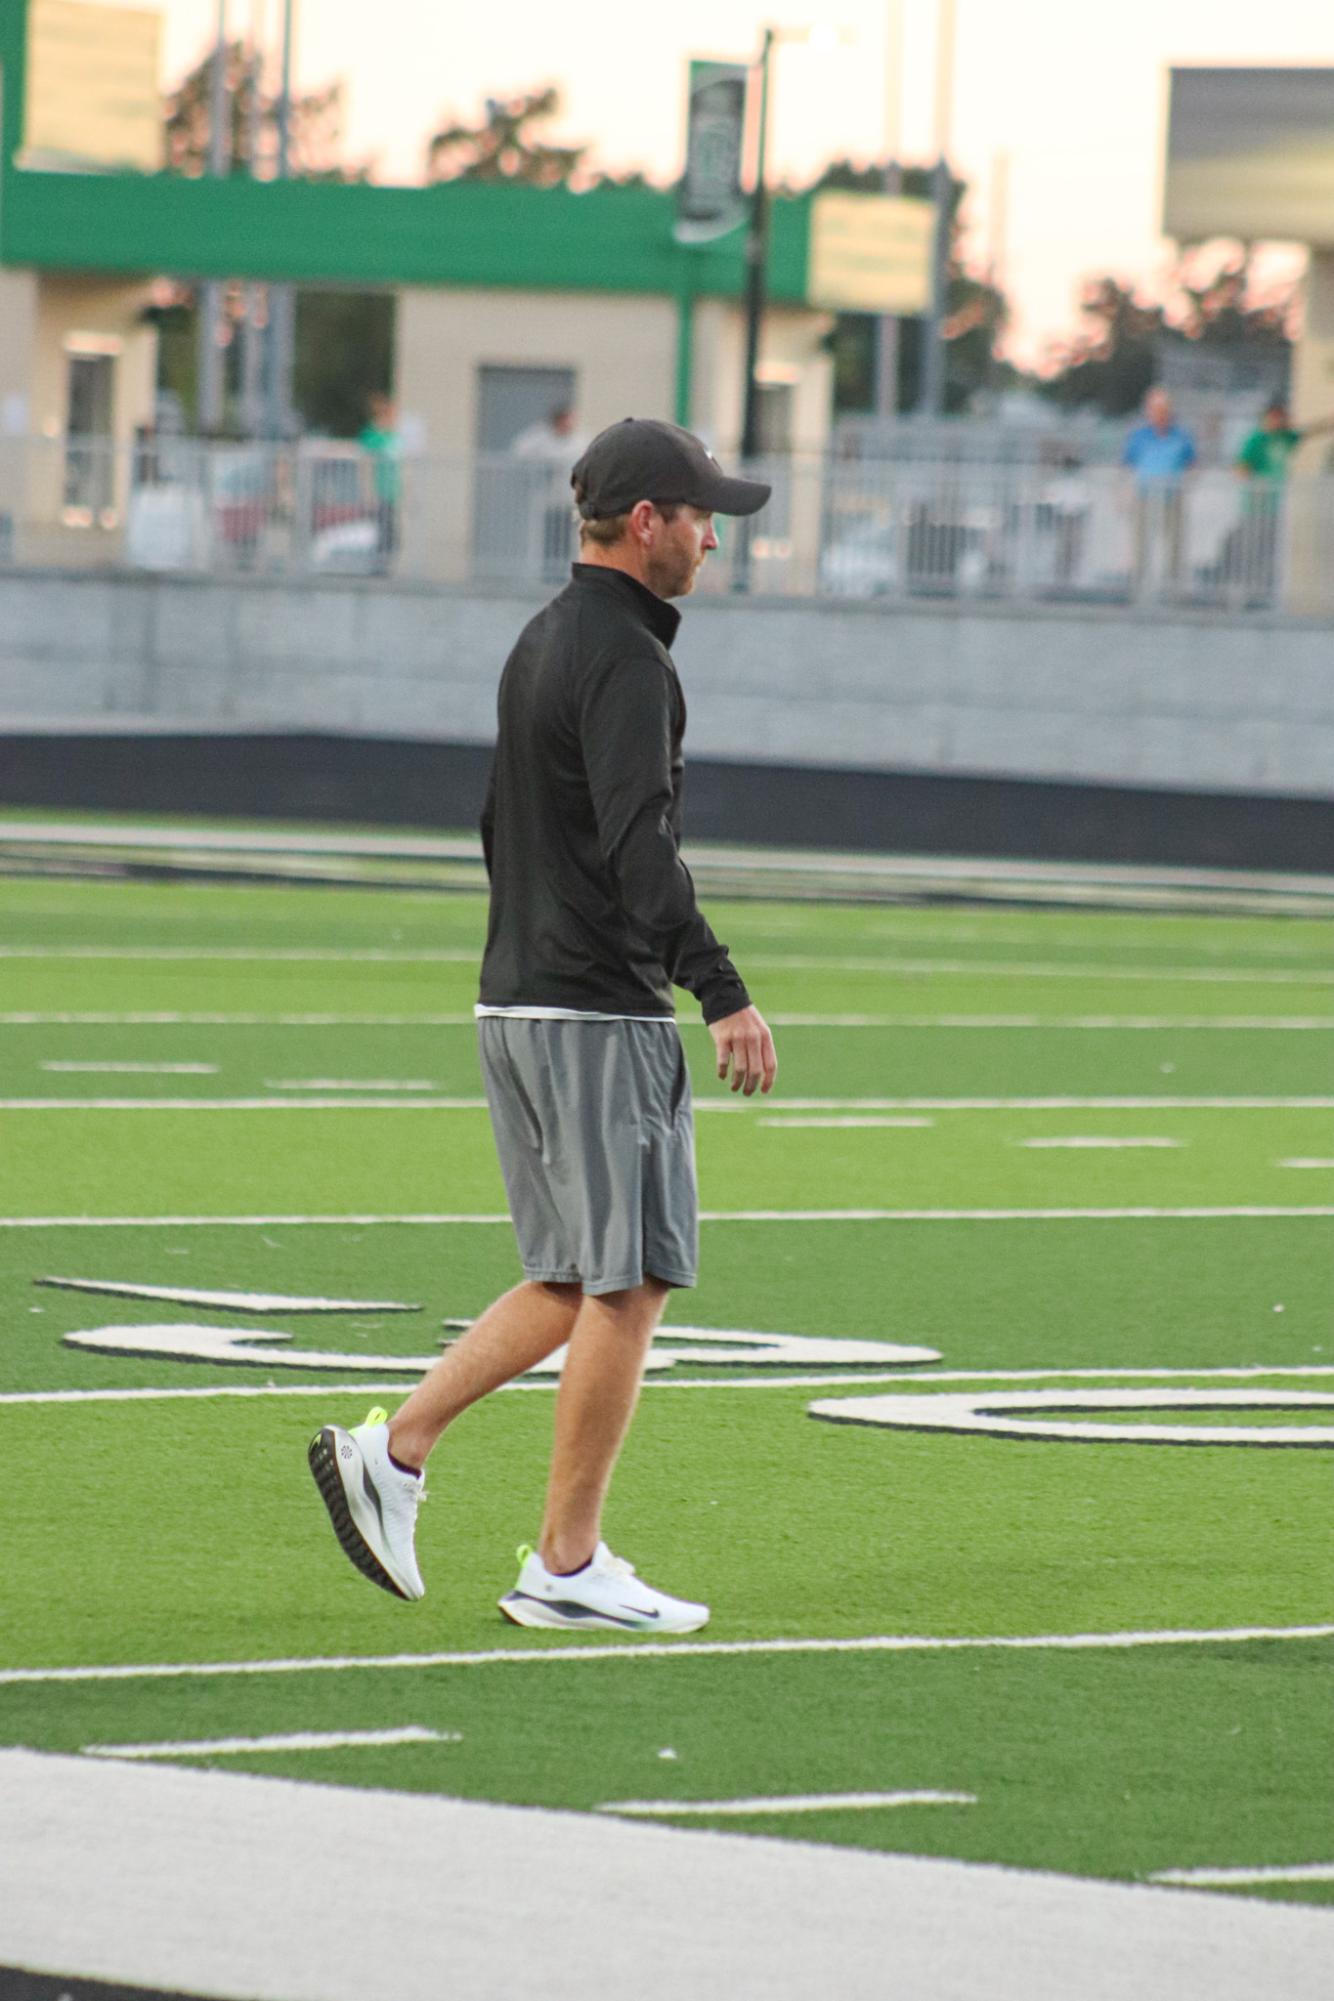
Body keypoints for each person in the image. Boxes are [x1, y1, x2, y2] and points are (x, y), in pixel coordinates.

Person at [309, 417, 777, 1635]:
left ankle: (395, 1450)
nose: (712, 540)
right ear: (645, 524)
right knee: (630, 1284)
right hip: (589, 1007)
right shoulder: (625, 658)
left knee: (570, 1276)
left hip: (517, 992)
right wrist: (716, 988)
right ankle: (565, 1567)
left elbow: (496, 824)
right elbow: (640, 847)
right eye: (701, 518)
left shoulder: (540, 639)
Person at [1232, 399, 1334, 601]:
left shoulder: (1285, 437)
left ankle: (1263, 592)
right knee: (1252, 549)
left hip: (1276, 506)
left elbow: (1310, 431)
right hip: (1256, 507)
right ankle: (1246, 592)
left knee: (1269, 551)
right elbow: (1241, 468)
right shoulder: (1256, 439)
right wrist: (1257, 486)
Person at [1122, 387, 1197, 596]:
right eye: (1155, 409)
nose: (1159, 414)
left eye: (1163, 409)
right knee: (1140, 542)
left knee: (1174, 543)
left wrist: (1188, 486)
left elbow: (1192, 463)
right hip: (1145, 496)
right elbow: (1128, 466)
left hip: (1172, 496)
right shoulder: (1139, 436)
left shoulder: (1181, 436)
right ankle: (1137, 587)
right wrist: (1124, 494)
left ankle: (1172, 589)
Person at [511, 404, 586, 578]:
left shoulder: (578, 440)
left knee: (568, 539)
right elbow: (520, 450)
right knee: (548, 539)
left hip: (570, 501)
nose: (569, 425)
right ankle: (547, 575)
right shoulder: (541, 438)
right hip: (549, 501)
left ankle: (563, 574)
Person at [358, 392, 402, 570]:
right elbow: (366, 465)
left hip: (392, 492)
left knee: (392, 535)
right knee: (383, 533)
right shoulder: (372, 435)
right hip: (379, 491)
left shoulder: (393, 435)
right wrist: (368, 493)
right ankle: (377, 568)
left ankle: (384, 566)